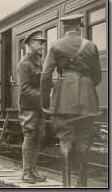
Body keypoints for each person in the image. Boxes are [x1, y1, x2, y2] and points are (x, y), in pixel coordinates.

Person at [40, 14, 102, 187]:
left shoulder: (55, 45)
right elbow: (97, 76)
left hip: (63, 99)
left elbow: (45, 76)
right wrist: (87, 84)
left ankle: (66, 186)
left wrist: (45, 101)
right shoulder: (91, 46)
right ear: (80, 26)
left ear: (65, 28)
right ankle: (82, 184)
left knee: (64, 140)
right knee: (84, 141)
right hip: (88, 100)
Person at [17, 30, 47, 184]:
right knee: (30, 136)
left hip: (39, 106)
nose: (42, 45)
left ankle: (33, 169)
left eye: (43, 43)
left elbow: (42, 81)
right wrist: (44, 97)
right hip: (29, 106)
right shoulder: (24, 63)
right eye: (39, 43)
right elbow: (25, 88)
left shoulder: (40, 60)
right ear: (30, 44)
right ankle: (26, 172)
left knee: (39, 136)